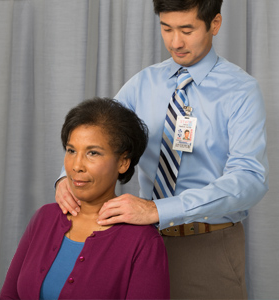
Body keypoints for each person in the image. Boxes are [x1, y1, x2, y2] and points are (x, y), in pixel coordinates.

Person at [55, 0, 269, 299]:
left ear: (215, 24)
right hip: (139, 240)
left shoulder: (241, 91)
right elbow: (96, 133)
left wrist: (158, 210)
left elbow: (249, 179)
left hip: (206, 245)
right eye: (166, 29)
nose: (175, 42)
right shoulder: (144, 82)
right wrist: (64, 179)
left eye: (187, 29)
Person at [0, 98, 170, 300]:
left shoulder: (143, 242)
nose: (76, 165)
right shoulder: (44, 218)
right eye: (71, 150)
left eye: (92, 153)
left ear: (123, 162)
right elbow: (9, 296)